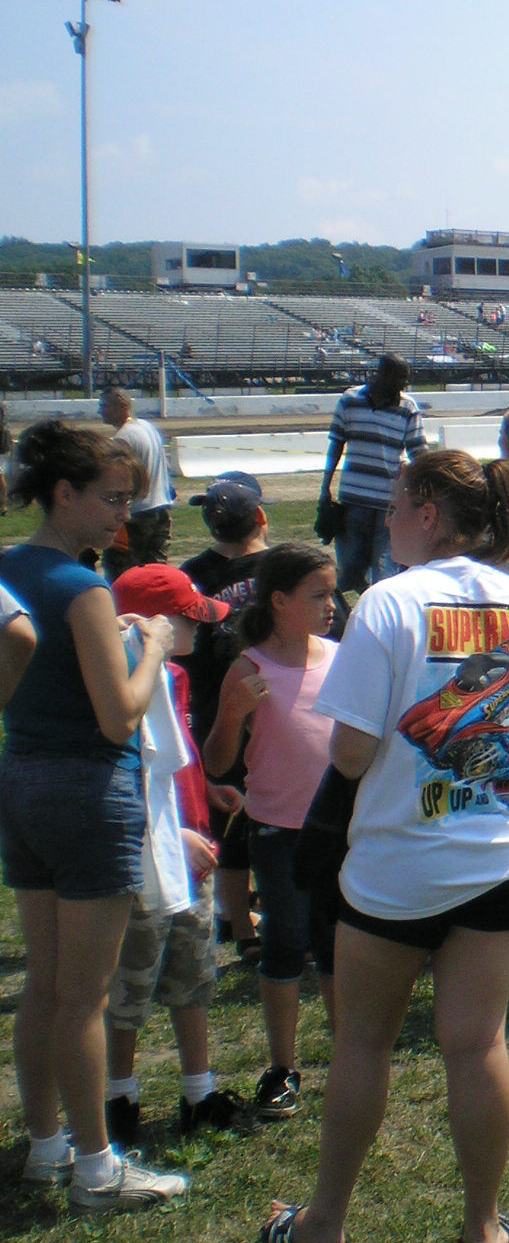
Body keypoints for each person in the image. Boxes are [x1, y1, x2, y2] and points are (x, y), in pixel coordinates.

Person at [261, 450, 509, 1243]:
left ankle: (323, 1225)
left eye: (395, 504)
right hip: (501, 861)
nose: (384, 519)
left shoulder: (385, 603)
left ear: (429, 514)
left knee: (363, 1044)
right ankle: (482, 1226)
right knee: (478, 1045)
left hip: (394, 867)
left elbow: (348, 754)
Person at [0, 419, 190, 1213]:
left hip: (24, 780)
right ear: (63, 493)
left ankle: (46, 1146)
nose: (121, 515)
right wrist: (154, 645)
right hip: (88, 790)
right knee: (85, 996)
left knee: (44, 987)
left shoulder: (12, 567)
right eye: (110, 499)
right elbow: (120, 717)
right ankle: (98, 1169)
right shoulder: (85, 587)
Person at [101, 564, 246, 1148]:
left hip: (192, 851)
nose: (200, 626)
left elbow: (177, 755)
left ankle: (198, 1090)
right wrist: (176, 835)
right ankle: (119, 1096)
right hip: (148, 856)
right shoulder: (123, 685)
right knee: (129, 985)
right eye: (190, 616)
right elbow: (131, 775)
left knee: (193, 976)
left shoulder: (175, 678)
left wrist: (205, 796)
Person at [203, 544, 340, 1122]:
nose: (332, 605)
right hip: (278, 832)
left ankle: (349, 1053)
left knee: (339, 946)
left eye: (334, 593)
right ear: (280, 601)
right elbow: (215, 763)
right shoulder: (249, 668)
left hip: (340, 827)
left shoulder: (340, 656)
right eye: (319, 595)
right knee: (285, 944)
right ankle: (283, 1066)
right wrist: (233, 713)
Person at [182, 471, 272, 961]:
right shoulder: (284, 567)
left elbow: (183, 653)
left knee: (229, 823)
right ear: (260, 516)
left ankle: (238, 923)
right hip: (280, 711)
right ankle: (269, 917)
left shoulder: (191, 575)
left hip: (216, 713)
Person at [320, 354, 427, 596]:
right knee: (350, 569)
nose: (404, 385)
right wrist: (325, 488)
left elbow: (418, 452)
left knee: (385, 571)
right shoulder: (350, 400)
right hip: (353, 500)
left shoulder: (408, 407)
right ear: (382, 374)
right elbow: (336, 444)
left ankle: (375, 612)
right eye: (400, 379)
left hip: (388, 503)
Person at [100, 387, 176, 580]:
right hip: (161, 509)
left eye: (105, 406)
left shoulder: (122, 438)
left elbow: (113, 480)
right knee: (157, 574)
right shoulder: (146, 427)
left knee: (123, 575)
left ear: (122, 406)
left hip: (136, 516)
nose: (101, 411)